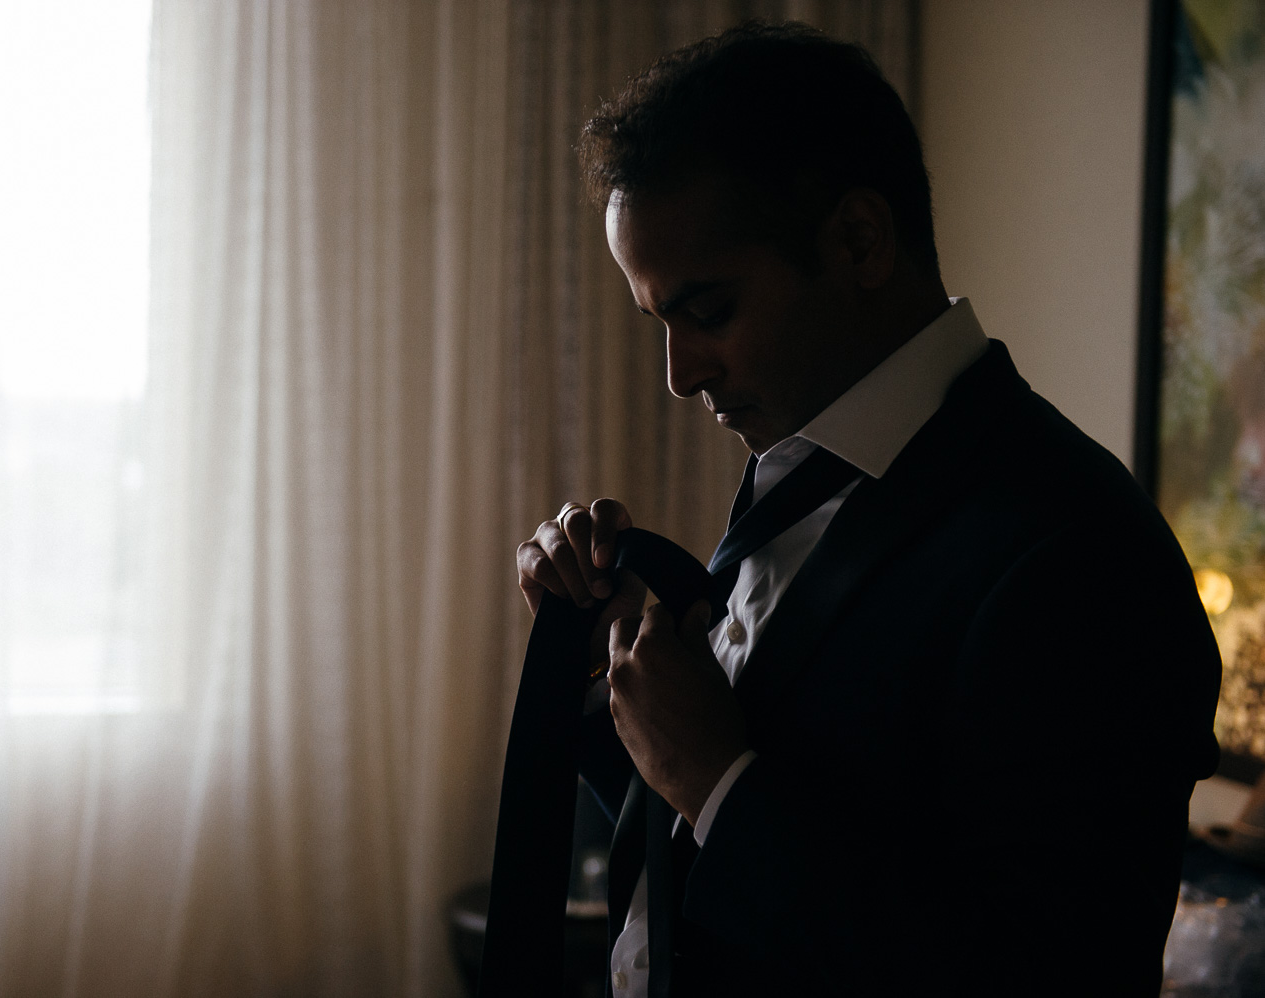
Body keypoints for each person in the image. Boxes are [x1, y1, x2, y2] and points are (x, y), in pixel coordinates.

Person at [513, 21, 1221, 997]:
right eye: (658, 320)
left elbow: (1041, 972)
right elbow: (763, 810)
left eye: (708, 310)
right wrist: (612, 676)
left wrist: (721, 781)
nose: (678, 374)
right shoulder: (800, 467)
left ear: (857, 239)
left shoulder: (1080, 556)